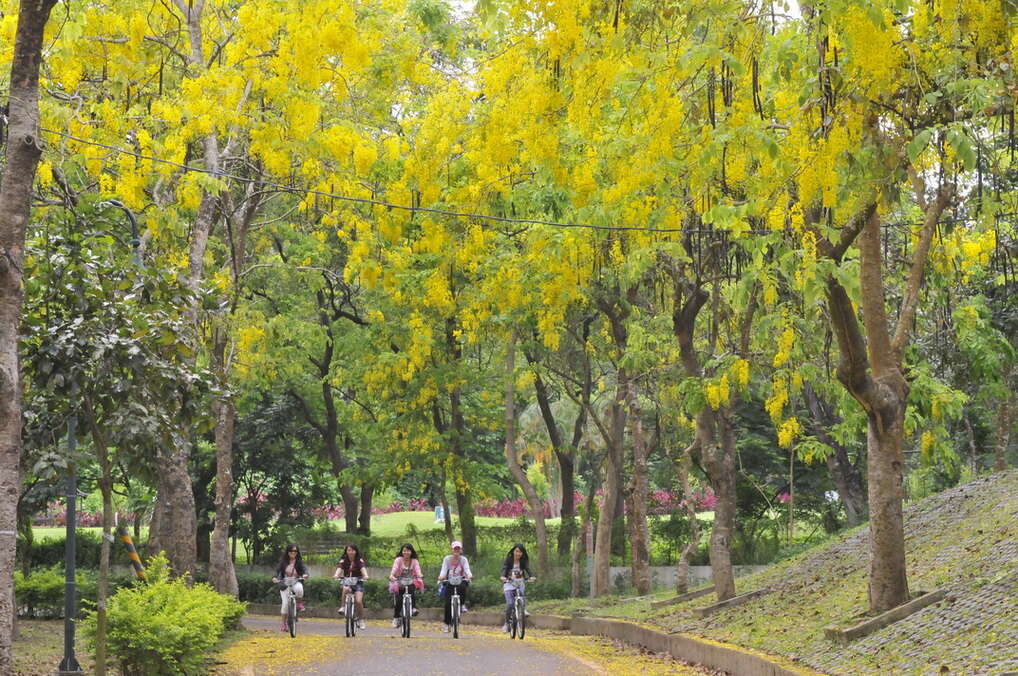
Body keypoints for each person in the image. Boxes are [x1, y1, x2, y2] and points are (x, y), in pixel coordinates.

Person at [437, 540, 473, 632]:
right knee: (448, 604)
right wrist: (441, 576)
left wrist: (469, 575)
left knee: (463, 586)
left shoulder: (463, 559)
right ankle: (446, 624)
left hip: (461, 580)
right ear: (452, 550)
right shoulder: (447, 559)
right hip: (449, 581)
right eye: (455, 549)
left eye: (458, 548)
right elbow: (444, 570)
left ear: (461, 550)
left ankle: (462, 604)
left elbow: (467, 569)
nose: (456, 550)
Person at [272, 544, 309, 633]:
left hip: (296, 582)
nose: (293, 553)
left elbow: (305, 570)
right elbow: (277, 571)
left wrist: (305, 575)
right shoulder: (283, 562)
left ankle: (299, 604)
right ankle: (284, 625)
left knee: (300, 589)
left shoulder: (299, 562)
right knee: (285, 605)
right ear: (288, 552)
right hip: (285, 584)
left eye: (295, 551)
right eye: (291, 551)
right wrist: (274, 577)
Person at [500, 543, 535, 632]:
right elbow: (505, 568)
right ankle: (507, 624)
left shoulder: (523, 561)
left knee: (522, 594)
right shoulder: (509, 559)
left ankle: (523, 609)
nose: (518, 554)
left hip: (520, 582)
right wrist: (503, 577)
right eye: (517, 551)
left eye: (520, 552)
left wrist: (531, 576)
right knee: (510, 604)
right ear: (513, 551)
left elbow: (527, 569)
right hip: (509, 583)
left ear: (522, 553)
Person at [388, 543, 424, 627]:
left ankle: (413, 608)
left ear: (411, 552)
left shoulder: (414, 561)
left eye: (408, 550)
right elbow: (394, 568)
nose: (406, 552)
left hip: (411, 581)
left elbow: (418, 570)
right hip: (399, 581)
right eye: (404, 550)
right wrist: (392, 575)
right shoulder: (398, 560)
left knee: (412, 590)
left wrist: (419, 575)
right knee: (399, 600)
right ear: (402, 551)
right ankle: (396, 617)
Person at [334, 544, 369, 630]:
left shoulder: (359, 561)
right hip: (347, 582)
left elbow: (363, 570)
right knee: (345, 588)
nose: (351, 552)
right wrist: (336, 575)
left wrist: (365, 576)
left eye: (352, 550)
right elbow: (339, 569)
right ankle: (343, 606)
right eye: (349, 550)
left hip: (358, 583)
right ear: (346, 551)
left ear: (356, 551)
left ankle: (360, 619)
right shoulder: (343, 560)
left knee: (358, 601)